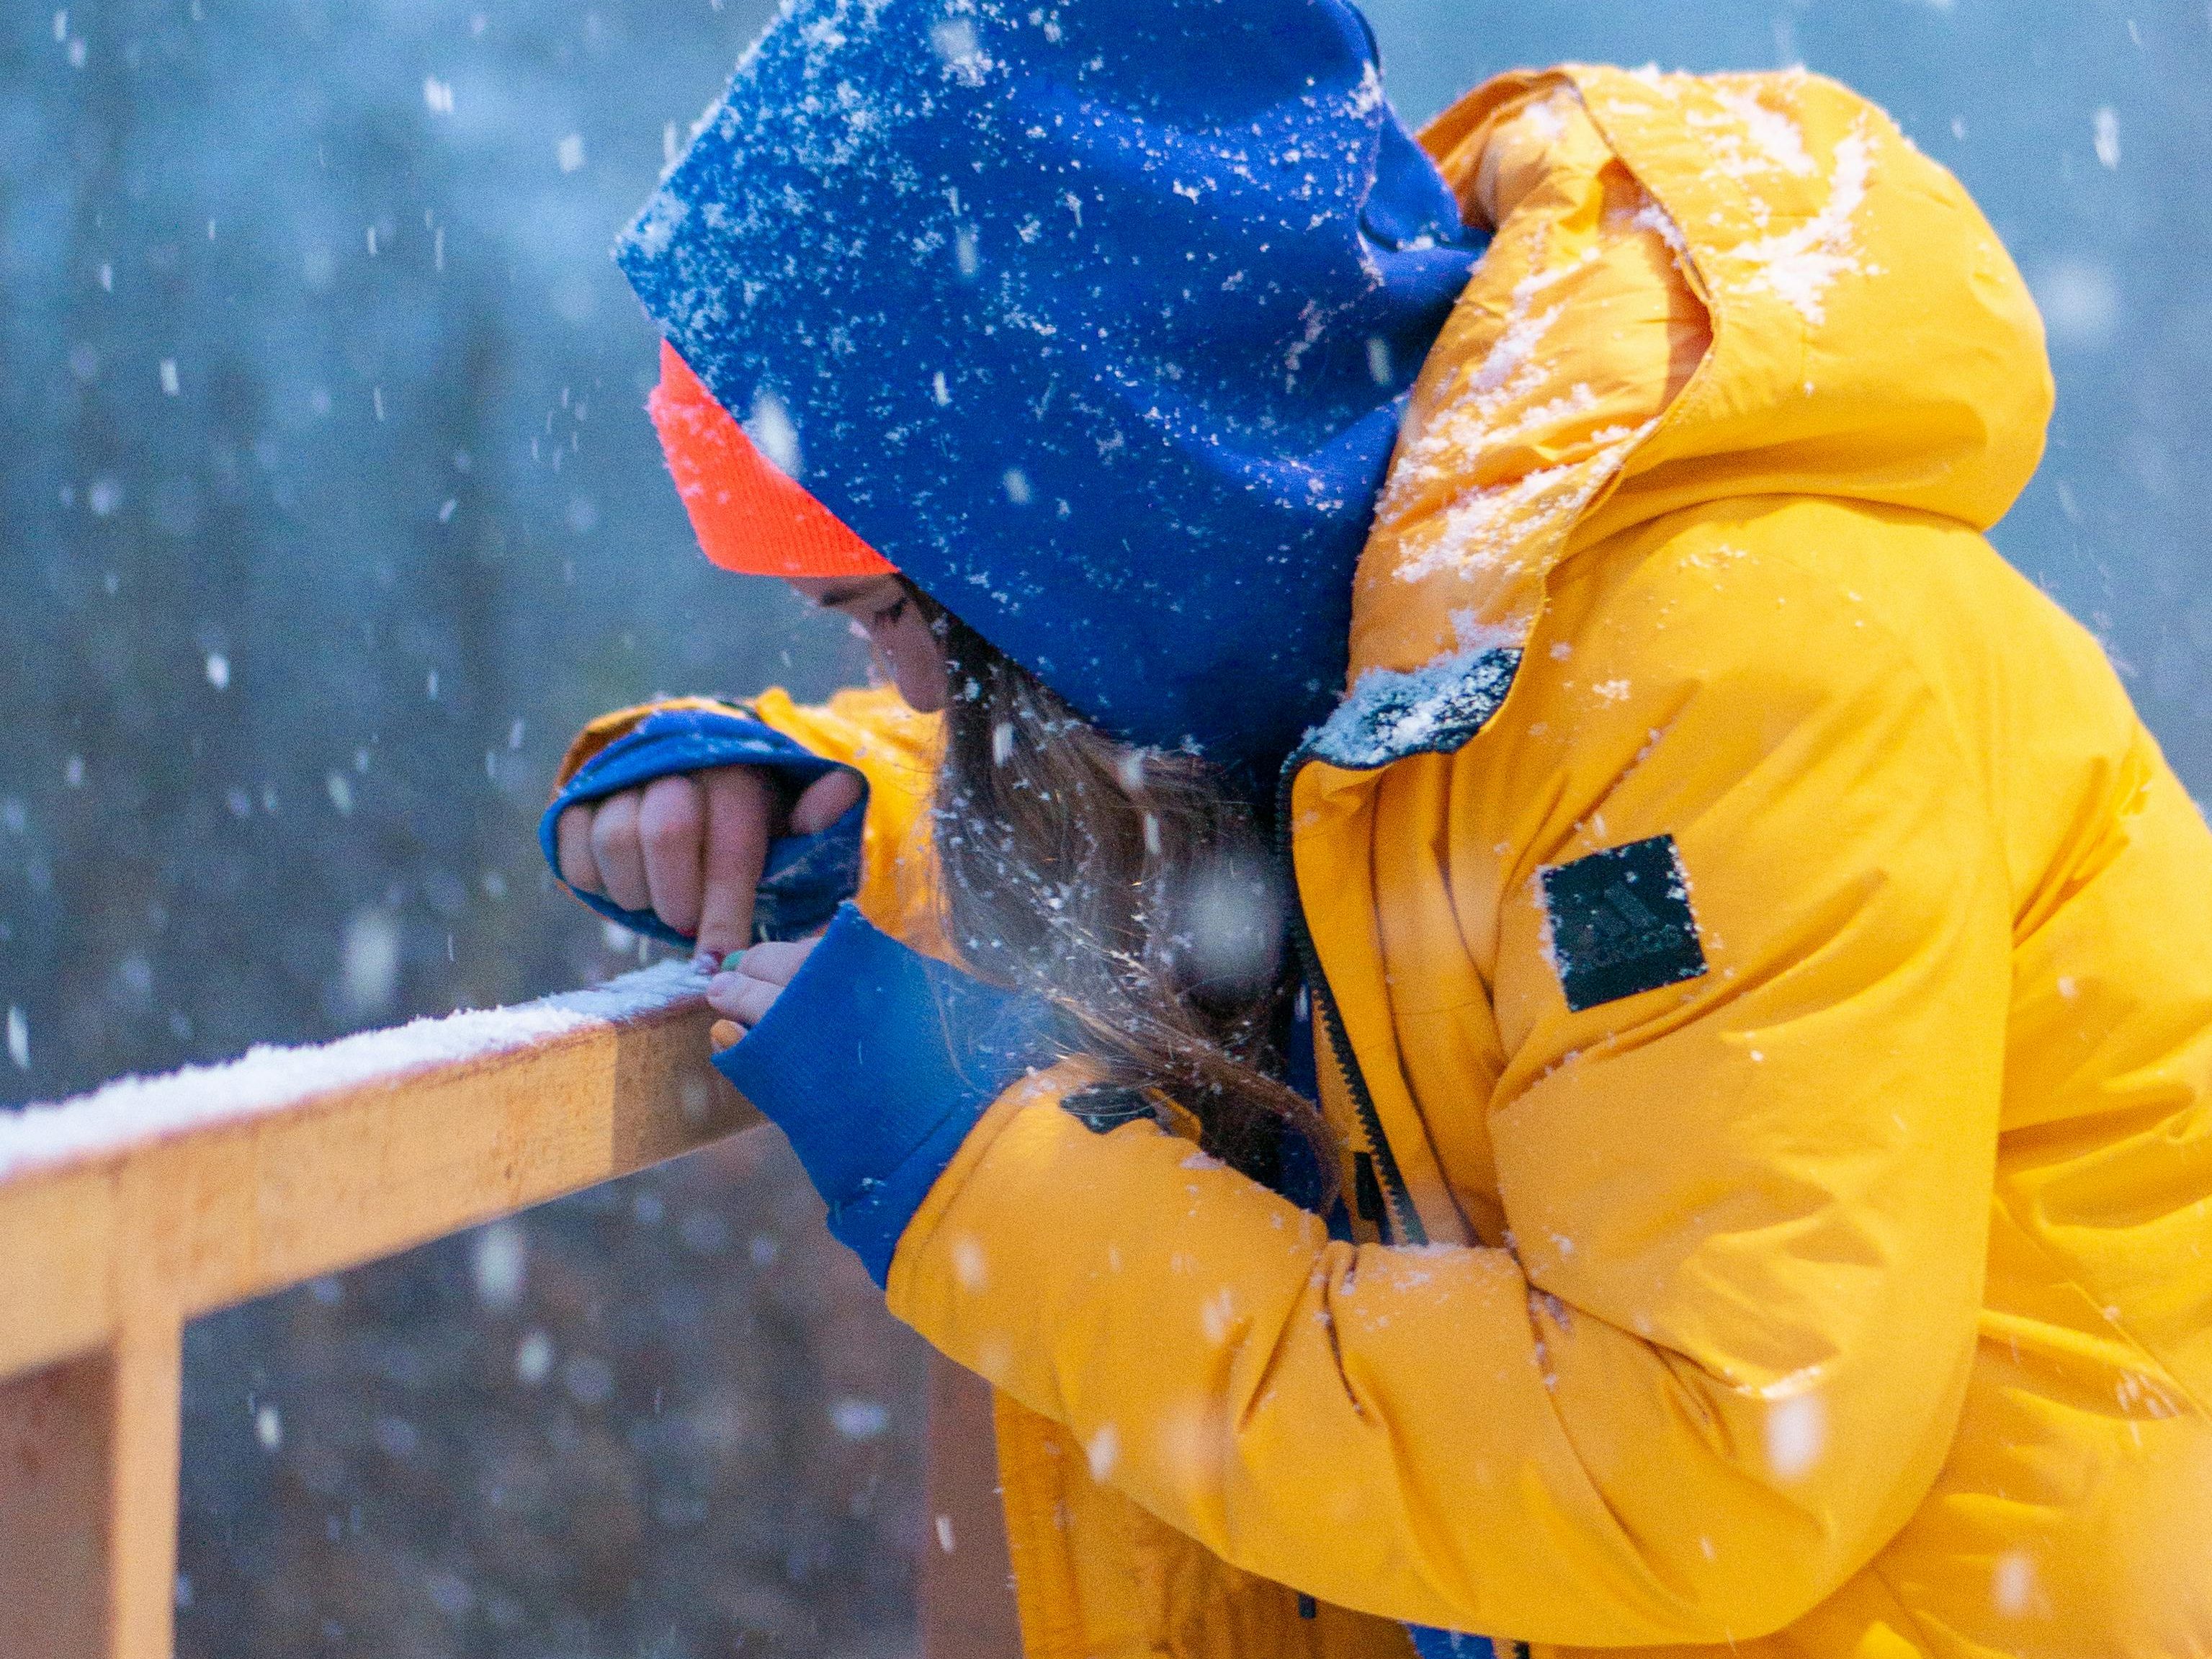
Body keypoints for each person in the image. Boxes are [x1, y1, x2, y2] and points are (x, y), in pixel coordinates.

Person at [543, 4, 2212, 1655]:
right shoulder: (1405, 625)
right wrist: (839, 815)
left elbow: (1686, 1472)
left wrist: (991, 1184)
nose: (902, 686)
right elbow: (1314, 818)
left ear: (1111, 509)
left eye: (889, 613)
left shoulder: (1733, 674)